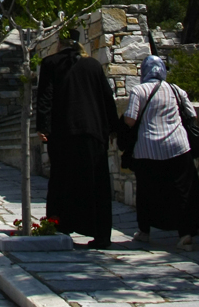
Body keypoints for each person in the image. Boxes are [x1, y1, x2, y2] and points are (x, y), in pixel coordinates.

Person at [36, 34, 118, 248]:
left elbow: (45, 96)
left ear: (59, 44)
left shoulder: (51, 63)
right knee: (97, 184)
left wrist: (43, 126)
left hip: (63, 133)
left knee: (62, 182)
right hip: (93, 132)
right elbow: (107, 97)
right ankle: (101, 235)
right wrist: (113, 128)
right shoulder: (93, 65)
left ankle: (59, 227)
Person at [122, 55, 199, 251]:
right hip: (178, 147)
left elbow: (130, 120)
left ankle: (145, 231)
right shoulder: (176, 89)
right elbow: (192, 114)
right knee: (182, 191)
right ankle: (185, 234)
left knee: (147, 192)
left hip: (147, 150)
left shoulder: (138, 91)